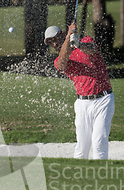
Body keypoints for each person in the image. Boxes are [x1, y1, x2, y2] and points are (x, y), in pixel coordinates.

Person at [44, 23, 115, 160]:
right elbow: (62, 64)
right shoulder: (59, 60)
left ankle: (100, 178)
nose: (53, 43)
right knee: (82, 148)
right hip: (82, 104)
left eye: (54, 38)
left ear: (62, 33)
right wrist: (68, 40)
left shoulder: (86, 41)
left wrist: (78, 44)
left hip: (103, 100)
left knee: (99, 143)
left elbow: (92, 49)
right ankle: (78, 178)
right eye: (50, 42)